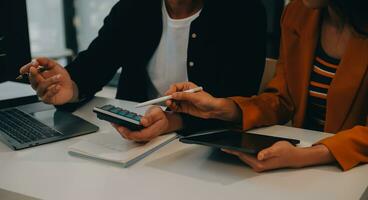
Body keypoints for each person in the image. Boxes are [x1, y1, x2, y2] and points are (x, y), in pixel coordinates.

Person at [161, 0, 368, 172]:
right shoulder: (299, 13)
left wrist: (304, 156)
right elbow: (282, 99)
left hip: (351, 170)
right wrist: (224, 108)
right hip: (302, 167)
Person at [20, 0, 266, 140]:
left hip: (205, 148)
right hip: (131, 141)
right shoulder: (135, 7)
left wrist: (171, 121)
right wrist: (69, 88)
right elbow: (95, 63)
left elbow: (237, 100)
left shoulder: (243, 11)